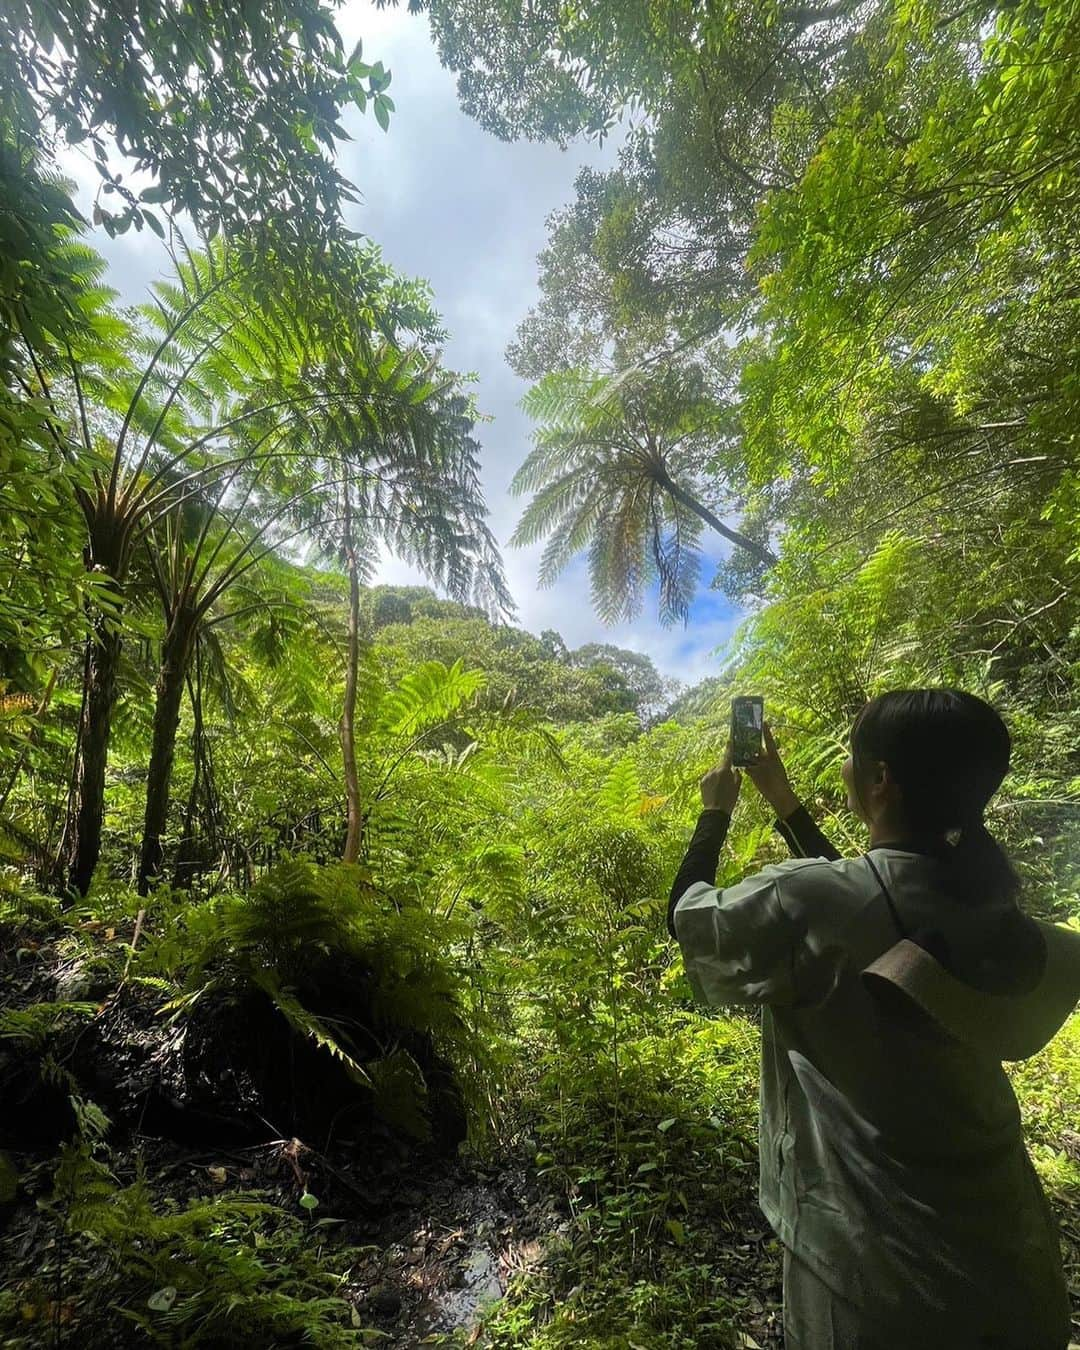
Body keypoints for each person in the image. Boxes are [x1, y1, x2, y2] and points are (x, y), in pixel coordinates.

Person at [668, 689, 1080, 1350]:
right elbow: (868, 894)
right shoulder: (986, 903)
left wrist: (714, 813)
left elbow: (689, 918)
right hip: (1016, 1269)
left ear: (880, 779)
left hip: (876, 1286)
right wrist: (785, 802)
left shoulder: (809, 896)